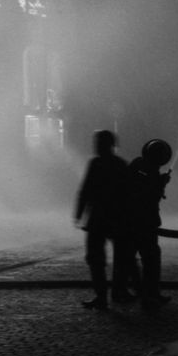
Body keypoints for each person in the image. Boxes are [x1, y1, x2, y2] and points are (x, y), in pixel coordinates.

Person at [74, 129, 132, 309]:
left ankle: (102, 296)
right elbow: (129, 194)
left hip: (98, 219)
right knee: (121, 258)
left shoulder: (95, 164)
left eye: (98, 143)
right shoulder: (121, 164)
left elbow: (85, 190)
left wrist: (79, 213)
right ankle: (119, 291)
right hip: (117, 219)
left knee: (96, 259)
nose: (96, 146)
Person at [127, 138, 172, 311]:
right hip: (140, 222)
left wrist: (160, 184)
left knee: (149, 259)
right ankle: (146, 294)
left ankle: (151, 293)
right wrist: (160, 184)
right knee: (148, 259)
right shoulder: (143, 169)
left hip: (144, 221)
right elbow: (147, 196)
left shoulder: (142, 167)